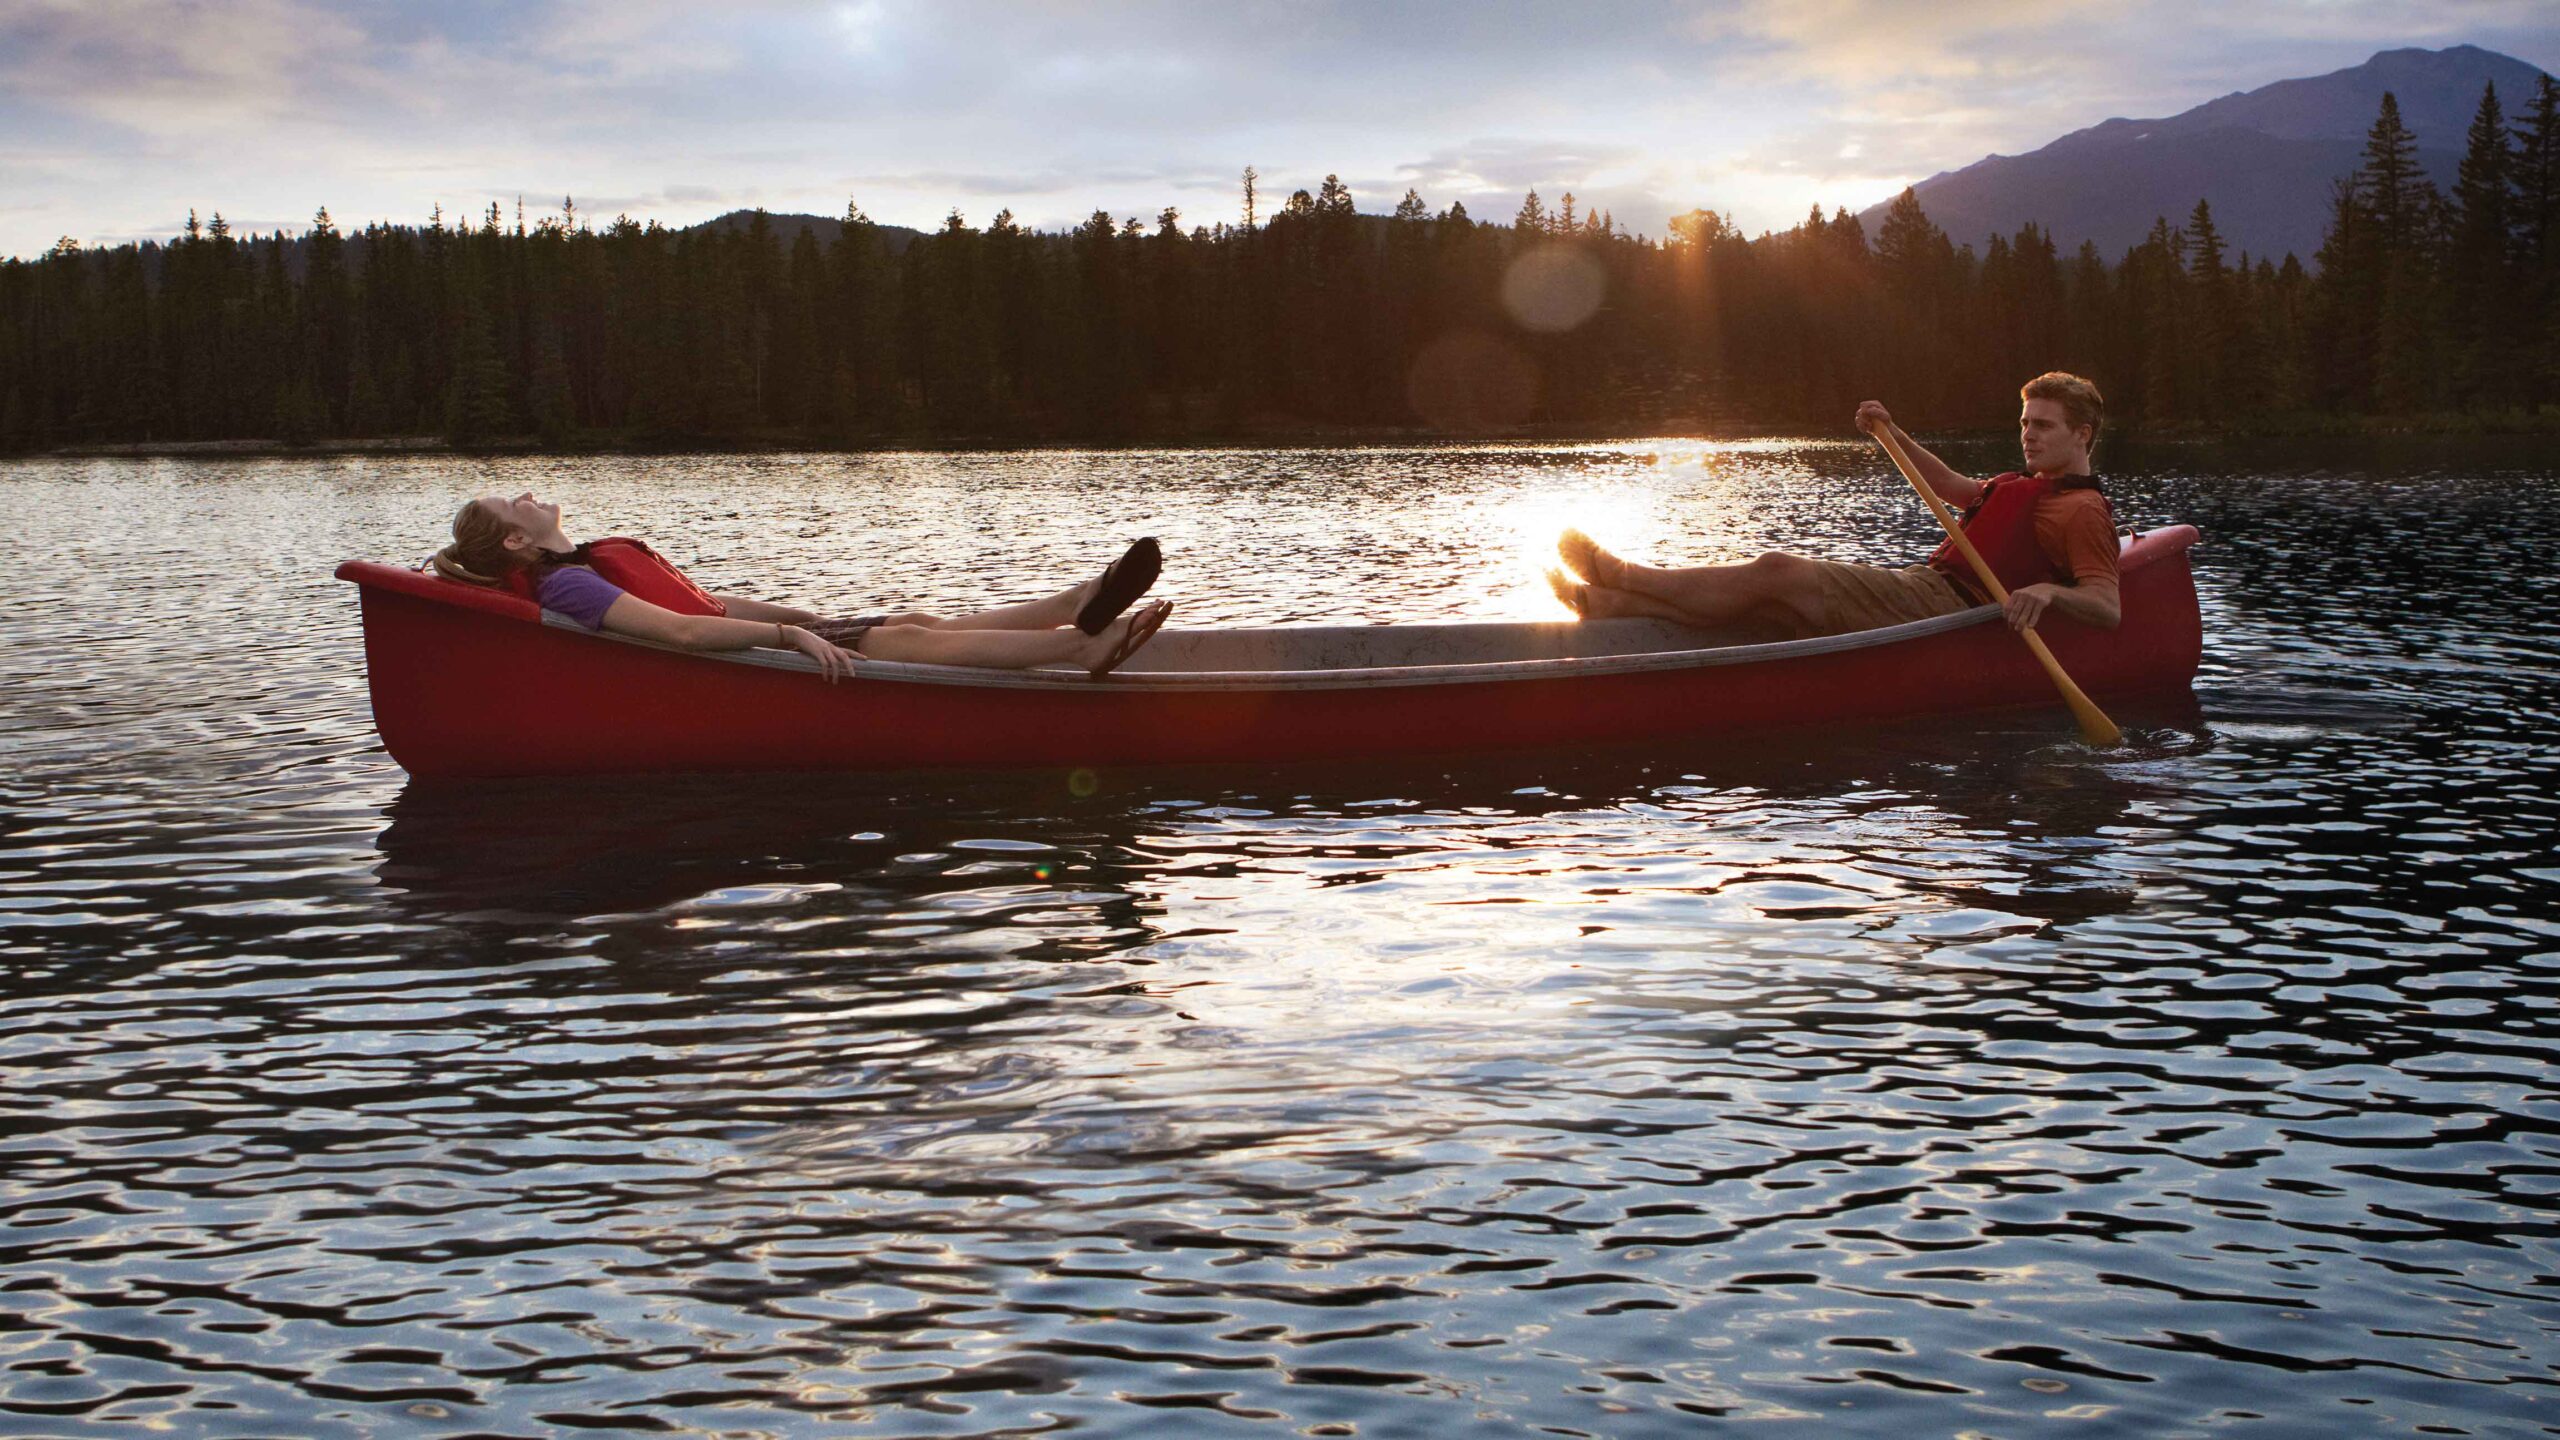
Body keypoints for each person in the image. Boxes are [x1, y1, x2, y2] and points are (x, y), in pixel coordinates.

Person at [1550, 372, 2122, 640]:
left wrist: (2048, 592)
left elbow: (2105, 603)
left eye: (2043, 425)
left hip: (1946, 608)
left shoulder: (2082, 511)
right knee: (1767, 611)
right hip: (1922, 587)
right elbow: (1949, 484)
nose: (2028, 435)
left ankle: (1623, 574)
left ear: (2082, 434)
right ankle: (1610, 604)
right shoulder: (2019, 484)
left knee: (1776, 570)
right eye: (2024, 422)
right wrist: (1890, 434)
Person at [429, 491, 1171, 680]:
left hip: (762, 639)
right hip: (750, 667)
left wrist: (804, 612)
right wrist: (790, 636)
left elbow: (708, 606)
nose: (525, 493)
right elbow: (684, 635)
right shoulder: (570, 588)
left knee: (908, 616)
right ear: (517, 541)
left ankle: (1074, 605)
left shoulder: (587, 563)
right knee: (906, 641)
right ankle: (1076, 650)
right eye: (511, 503)